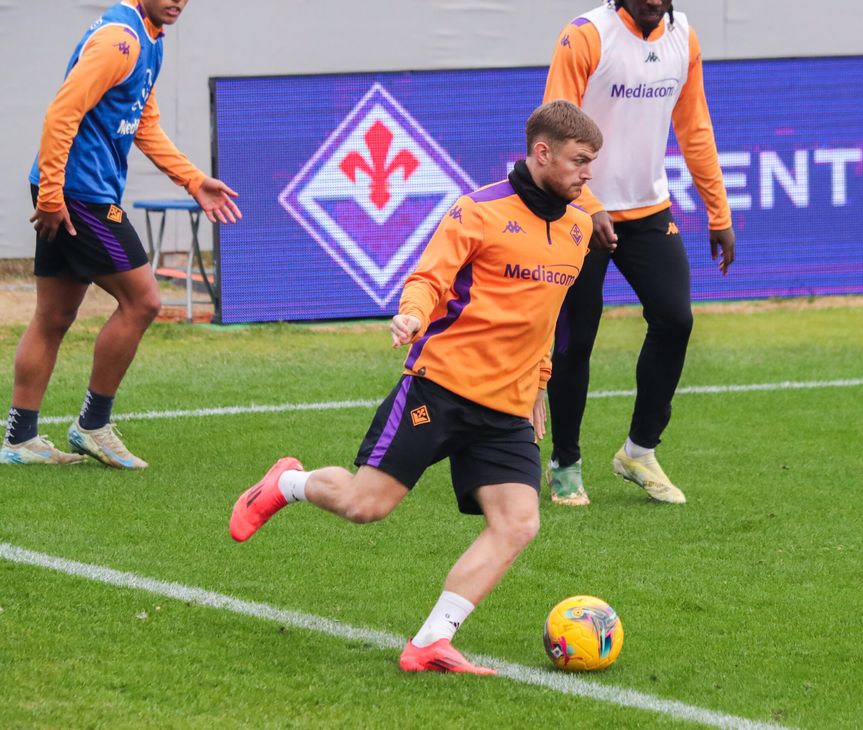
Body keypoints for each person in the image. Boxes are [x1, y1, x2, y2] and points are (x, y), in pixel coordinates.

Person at [228, 100, 602, 675]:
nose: (588, 174)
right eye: (579, 161)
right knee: (364, 506)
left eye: (592, 162)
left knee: (518, 522)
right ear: (542, 153)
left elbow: (544, 318)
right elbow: (429, 277)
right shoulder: (477, 210)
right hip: (441, 387)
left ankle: (430, 642)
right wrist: (411, 314)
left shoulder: (578, 228)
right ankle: (288, 482)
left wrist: (539, 386)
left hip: (507, 407)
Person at [0, 0, 241, 469]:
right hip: (77, 193)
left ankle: (20, 438)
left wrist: (192, 180)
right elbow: (61, 113)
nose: (178, 1)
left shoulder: (152, 38)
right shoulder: (120, 41)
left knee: (54, 315)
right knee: (144, 300)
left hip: (72, 188)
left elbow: (144, 124)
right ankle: (92, 425)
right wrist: (51, 195)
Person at [542, 0, 735, 506]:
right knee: (575, 340)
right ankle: (565, 463)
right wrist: (588, 204)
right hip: (578, 210)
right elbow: (553, 130)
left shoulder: (683, 38)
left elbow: (694, 127)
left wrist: (718, 212)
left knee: (675, 319)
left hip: (649, 209)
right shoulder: (585, 35)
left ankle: (639, 452)